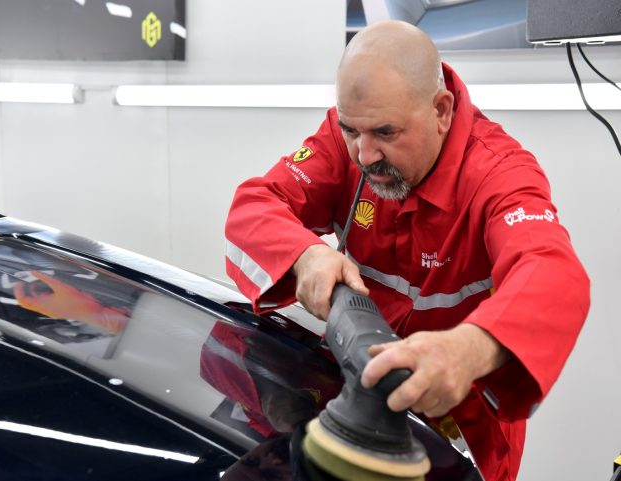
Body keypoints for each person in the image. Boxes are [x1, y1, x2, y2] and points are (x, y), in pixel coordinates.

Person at [224, 20, 590, 481]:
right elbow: (255, 205)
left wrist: (469, 349)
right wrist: (306, 255)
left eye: (385, 133)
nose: (365, 154)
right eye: (351, 131)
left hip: (457, 435)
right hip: (348, 410)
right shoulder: (348, 139)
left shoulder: (501, 178)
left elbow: (553, 274)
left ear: (441, 110)